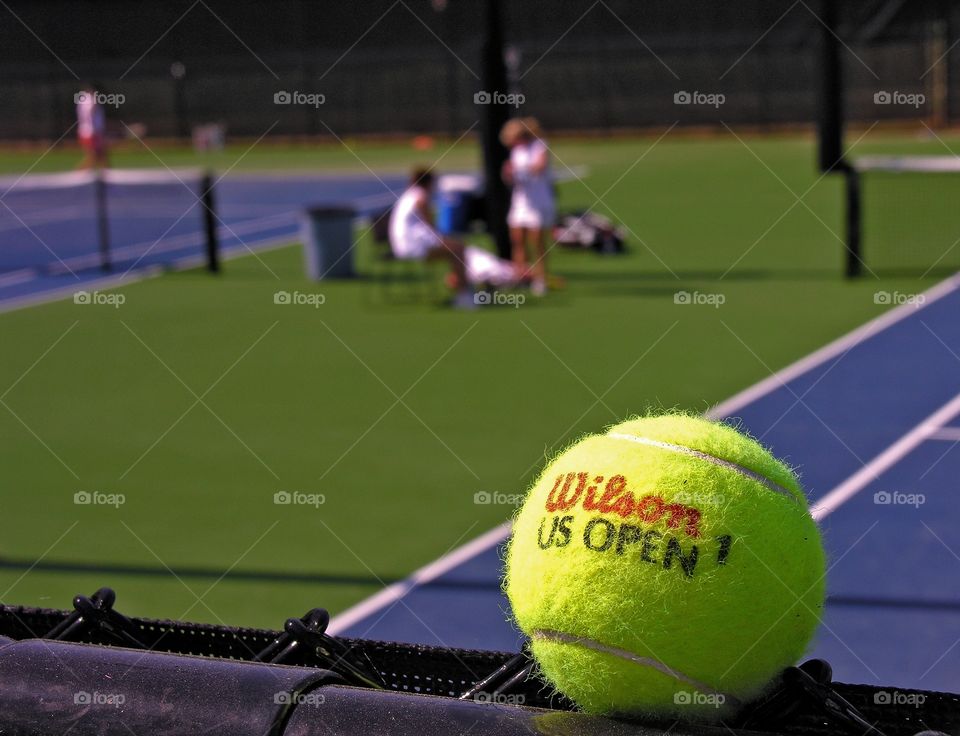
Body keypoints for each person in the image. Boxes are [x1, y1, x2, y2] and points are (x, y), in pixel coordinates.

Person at [389, 168, 474, 308]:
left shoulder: (409, 195)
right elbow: (430, 227)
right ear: (428, 182)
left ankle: (462, 289)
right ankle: (464, 296)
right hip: (412, 246)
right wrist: (446, 240)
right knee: (458, 250)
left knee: (455, 248)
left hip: (404, 245)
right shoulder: (420, 197)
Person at [501, 117, 556, 296]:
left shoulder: (540, 146)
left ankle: (540, 279)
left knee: (537, 242)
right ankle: (520, 277)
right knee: (517, 241)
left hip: (539, 201)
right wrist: (508, 174)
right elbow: (512, 177)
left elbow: (540, 167)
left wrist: (519, 170)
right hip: (520, 201)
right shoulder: (516, 151)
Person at [76, 82, 108, 169]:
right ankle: (78, 174)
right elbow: (91, 112)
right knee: (93, 156)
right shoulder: (90, 99)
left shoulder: (82, 100)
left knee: (101, 155)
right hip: (90, 132)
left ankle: (106, 173)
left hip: (90, 131)